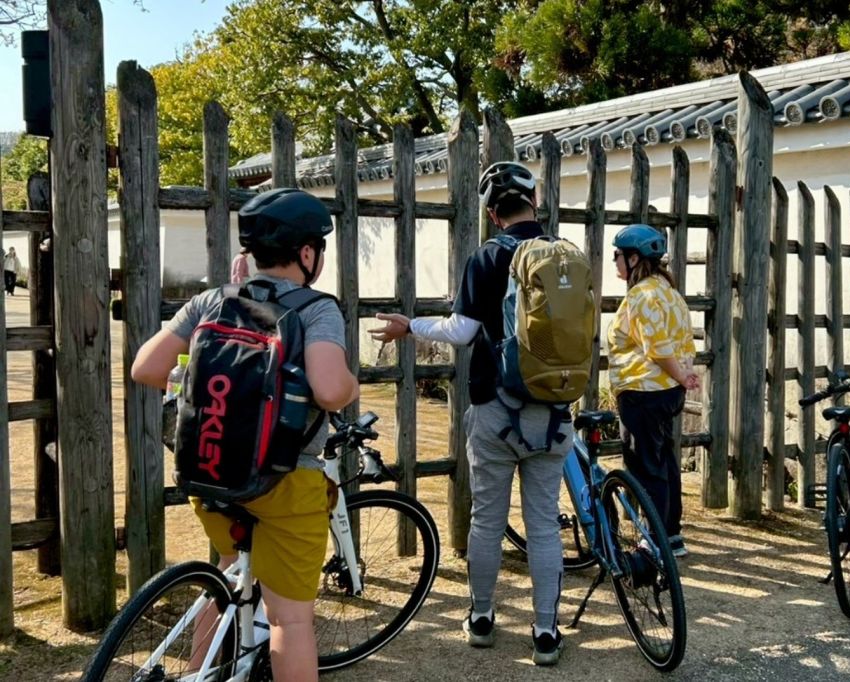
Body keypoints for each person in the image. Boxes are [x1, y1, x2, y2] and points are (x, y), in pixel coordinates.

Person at [131, 188, 359, 682]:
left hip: (209, 468)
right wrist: (351, 384)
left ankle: (197, 672)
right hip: (284, 483)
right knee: (289, 619)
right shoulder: (317, 310)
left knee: (229, 574)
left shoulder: (213, 300)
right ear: (307, 253)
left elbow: (145, 368)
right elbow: (329, 390)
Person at [371, 161, 571, 666]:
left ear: (491, 213)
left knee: (487, 520)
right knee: (543, 525)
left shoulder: (488, 256)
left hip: (496, 409)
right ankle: (546, 632)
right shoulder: (565, 255)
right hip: (552, 411)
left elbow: (460, 333)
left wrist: (410, 326)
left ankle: (481, 618)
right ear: (535, 202)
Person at [607, 224, 700, 558]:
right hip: (667, 392)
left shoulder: (641, 296)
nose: (615, 261)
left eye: (617, 255)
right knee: (665, 463)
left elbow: (657, 349)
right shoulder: (670, 292)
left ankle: (655, 540)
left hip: (642, 389)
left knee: (646, 467)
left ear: (634, 258)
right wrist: (684, 375)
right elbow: (684, 342)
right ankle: (671, 535)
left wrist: (680, 375)